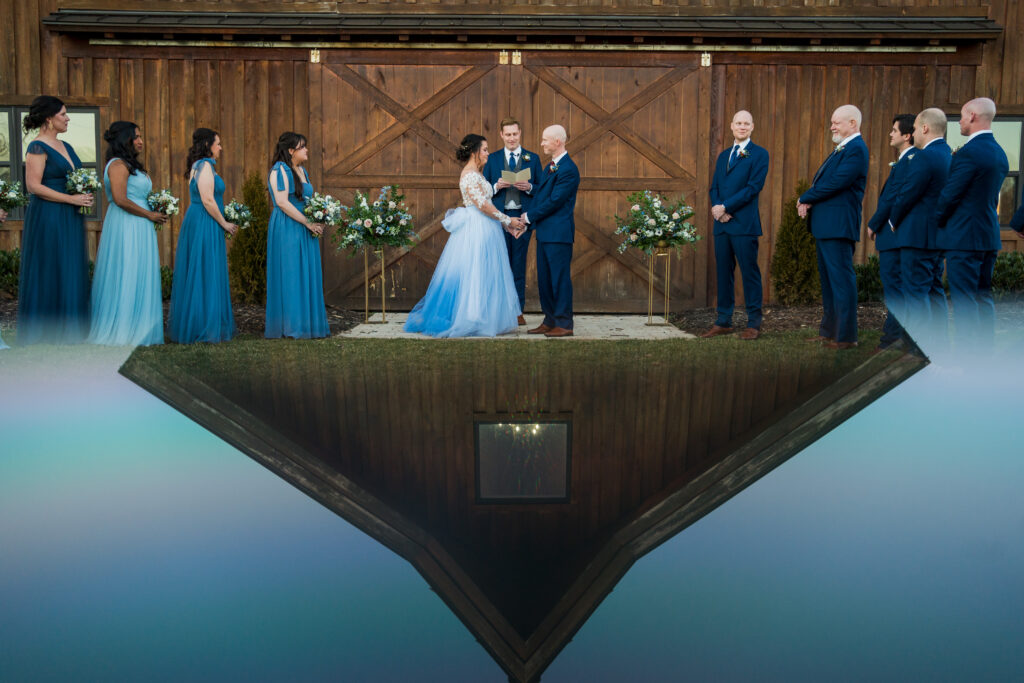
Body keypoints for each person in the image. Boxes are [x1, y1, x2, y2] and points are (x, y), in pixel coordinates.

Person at [404, 134, 525, 337]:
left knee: (485, 272)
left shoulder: (477, 173)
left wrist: (505, 226)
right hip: (475, 228)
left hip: (487, 227)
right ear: (474, 151)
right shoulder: (469, 175)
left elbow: (488, 202)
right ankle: (471, 317)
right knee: (474, 272)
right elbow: (482, 205)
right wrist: (507, 220)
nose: (488, 153)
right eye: (485, 149)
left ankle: (482, 316)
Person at [934, 97, 1009, 352]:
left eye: (963, 116)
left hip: (964, 238)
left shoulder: (969, 153)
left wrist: (937, 222)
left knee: (964, 300)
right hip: (988, 235)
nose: (960, 122)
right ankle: (984, 354)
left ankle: (967, 357)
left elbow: (950, 195)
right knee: (982, 297)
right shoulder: (999, 152)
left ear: (974, 117)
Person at [18, 95, 94, 344]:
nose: (68, 118)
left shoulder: (68, 146)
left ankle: (70, 328)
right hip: (48, 215)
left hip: (69, 215)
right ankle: (46, 331)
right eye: (63, 114)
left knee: (69, 264)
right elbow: (33, 186)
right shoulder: (37, 147)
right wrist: (72, 199)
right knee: (51, 265)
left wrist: (83, 192)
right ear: (49, 119)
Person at [88, 121, 168, 346]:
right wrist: (149, 215)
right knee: (128, 271)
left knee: (140, 271)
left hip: (140, 223)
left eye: (141, 136)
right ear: (125, 139)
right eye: (136, 137)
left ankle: (140, 328)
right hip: (127, 224)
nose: (141, 141)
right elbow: (121, 199)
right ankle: (123, 330)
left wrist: (158, 207)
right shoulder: (117, 165)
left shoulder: (131, 165)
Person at [798, 104, 869, 350]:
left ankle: (847, 336)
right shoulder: (842, 149)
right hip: (826, 226)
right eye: (832, 121)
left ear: (853, 123)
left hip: (839, 226)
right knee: (828, 283)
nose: (832, 126)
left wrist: (806, 196)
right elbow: (827, 181)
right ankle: (829, 331)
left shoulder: (856, 149)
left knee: (841, 281)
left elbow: (838, 182)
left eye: (837, 122)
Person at [887, 108, 952, 349]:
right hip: (937, 235)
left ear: (924, 128)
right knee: (934, 291)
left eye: (914, 128)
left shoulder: (925, 157)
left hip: (916, 236)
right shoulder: (948, 154)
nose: (913, 133)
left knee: (915, 294)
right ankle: (938, 343)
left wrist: (893, 221)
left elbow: (907, 193)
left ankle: (916, 347)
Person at [702, 110, 769, 341]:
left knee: (750, 273)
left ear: (752, 127)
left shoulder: (760, 155)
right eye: (738, 123)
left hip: (744, 224)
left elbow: (753, 188)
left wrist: (726, 207)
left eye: (746, 123)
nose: (742, 126)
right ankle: (723, 321)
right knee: (723, 273)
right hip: (721, 225)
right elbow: (714, 187)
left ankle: (753, 323)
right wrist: (717, 210)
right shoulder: (723, 156)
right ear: (731, 126)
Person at [168, 128, 237, 344]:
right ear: (208, 145)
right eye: (218, 143)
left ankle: (203, 322)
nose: (220, 148)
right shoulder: (205, 166)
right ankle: (203, 327)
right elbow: (208, 200)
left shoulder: (199, 166)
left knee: (203, 271)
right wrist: (224, 222)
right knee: (204, 271)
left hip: (201, 220)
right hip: (204, 221)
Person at [265, 132, 329, 339]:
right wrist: (307, 222)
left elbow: (308, 199)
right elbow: (282, 202)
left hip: (305, 226)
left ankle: (307, 324)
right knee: (291, 273)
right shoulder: (280, 170)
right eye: (302, 147)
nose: (306, 150)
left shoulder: (302, 170)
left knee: (306, 272)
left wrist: (321, 215)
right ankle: (292, 326)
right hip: (288, 226)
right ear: (291, 150)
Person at [482, 117, 543, 325]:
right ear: (501, 135)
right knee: (499, 267)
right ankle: (498, 311)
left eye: (514, 134)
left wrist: (531, 187)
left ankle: (517, 312)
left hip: (521, 221)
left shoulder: (532, 159)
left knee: (518, 266)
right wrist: (497, 186)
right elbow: (483, 191)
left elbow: (542, 190)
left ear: (520, 133)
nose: (511, 138)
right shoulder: (492, 159)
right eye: (507, 134)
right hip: (498, 220)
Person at [522, 125, 581, 338]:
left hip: (559, 234)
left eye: (545, 140)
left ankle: (564, 323)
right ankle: (550, 320)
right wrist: (529, 188)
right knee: (545, 279)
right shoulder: (552, 166)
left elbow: (555, 200)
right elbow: (544, 193)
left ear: (558, 142)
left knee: (559, 279)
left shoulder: (568, 169)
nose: (542, 143)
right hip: (546, 232)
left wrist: (528, 217)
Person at [865, 113, 917, 351]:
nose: (890, 134)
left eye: (894, 130)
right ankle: (894, 337)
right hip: (895, 236)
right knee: (895, 290)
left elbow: (892, 198)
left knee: (895, 290)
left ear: (907, 136)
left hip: (895, 236)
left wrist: (874, 223)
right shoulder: (904, 160)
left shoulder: (909, 162)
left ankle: (893, 339)